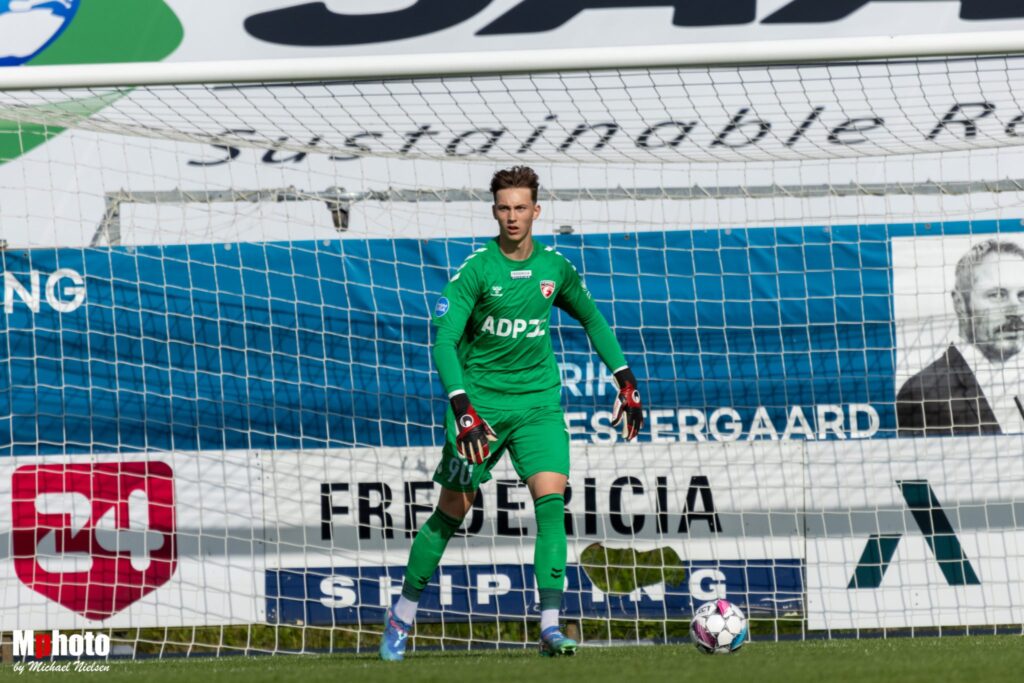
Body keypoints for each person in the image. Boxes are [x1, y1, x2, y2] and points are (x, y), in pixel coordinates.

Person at [379, 166, 644, 660]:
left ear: (536, 211)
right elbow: (443, 342)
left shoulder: (555, 269)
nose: (513, 216)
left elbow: (592, 318)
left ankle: (549, 625)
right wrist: (461, 406)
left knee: (551, 501)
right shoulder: (477, 270)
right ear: (494, 211)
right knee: (454, 509)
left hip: (538, 405)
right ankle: (404, 613)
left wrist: (624, 378)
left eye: (521, 207)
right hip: (477, 410)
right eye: (504, 208)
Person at [896, 238, 1024, 436]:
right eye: (998, 295)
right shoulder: (924, 393)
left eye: (1023, 295)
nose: (1016, 310)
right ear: (960, 303)